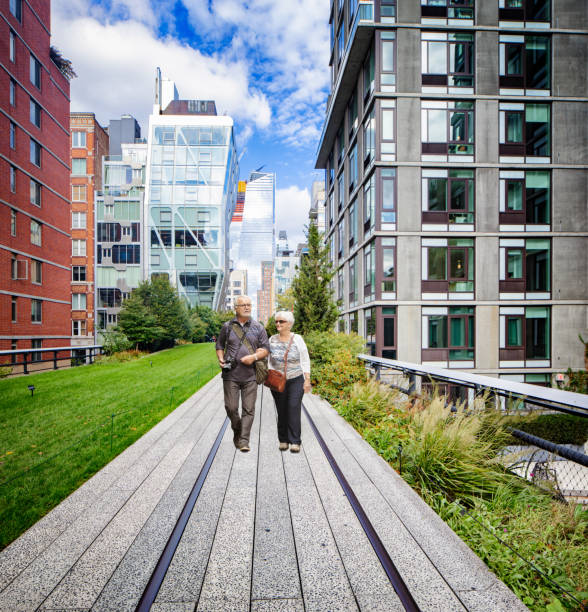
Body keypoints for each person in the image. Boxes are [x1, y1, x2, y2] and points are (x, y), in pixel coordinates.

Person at [216, 296, 269, 452]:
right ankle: (238, 431)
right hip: (230, 375)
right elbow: (219, 345)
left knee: (249, 409)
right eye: (243, 305)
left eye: (249, 305)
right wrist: (220, 358)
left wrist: (253, 357)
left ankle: (244, 441)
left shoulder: (258, 327)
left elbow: (266, 349)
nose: (247, 307)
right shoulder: (227, 326)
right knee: (231, 408)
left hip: (251, 375)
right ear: (236, 308)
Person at [268, 310, 311, 453]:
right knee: (281, 410)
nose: (278, 324)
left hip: (296, 379)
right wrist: (269, 374)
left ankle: (295, 441)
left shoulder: (297, 339)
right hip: (277, 381)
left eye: (282, 321)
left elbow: (305, 359)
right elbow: (268, 359)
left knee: (293, 407)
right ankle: (283, 440)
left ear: (290, 324)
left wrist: (307, 380)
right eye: (277, 321)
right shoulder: (272, 339)